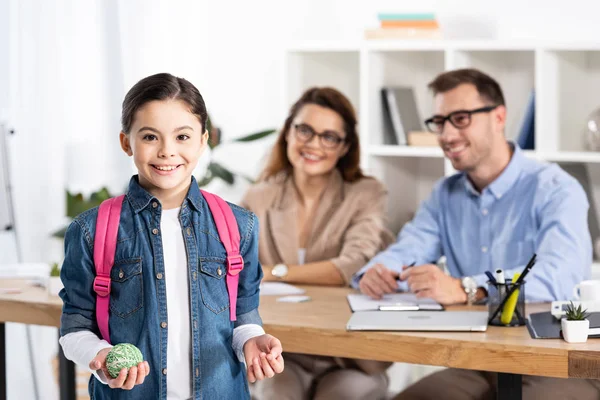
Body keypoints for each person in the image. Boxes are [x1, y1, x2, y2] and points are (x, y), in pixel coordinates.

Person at [354, 68, 600, 399]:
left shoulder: (557, 189)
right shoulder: (445, 194)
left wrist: (466, 288)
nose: (446, 134)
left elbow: (559, 278)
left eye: (460, 119)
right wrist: (377, 271)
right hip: (478, 360)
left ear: (498, 117)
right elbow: (409, 248)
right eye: (439, 122)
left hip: (552, 360)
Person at [58, 73, 284, 400]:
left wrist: (252, 340)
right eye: (150, 137)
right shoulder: (90, 231)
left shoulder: (239, 224)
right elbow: (74, 327)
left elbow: (243, 315)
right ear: (126, 142)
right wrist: (101, 358)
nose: (167, 151)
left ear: (203, 140)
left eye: (182, 137)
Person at [241, 87, 394, 400]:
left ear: (344, 146)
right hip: (285, 351)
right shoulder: (259, 196)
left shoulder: (365, 193)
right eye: (305, 130)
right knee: (273, 395)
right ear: (288, 134)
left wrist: (275, 272)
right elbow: (238, 267)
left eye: (329, 136)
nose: (313, 144)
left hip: (348, 356)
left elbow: (351, 266)